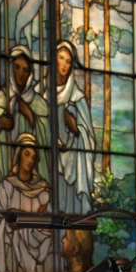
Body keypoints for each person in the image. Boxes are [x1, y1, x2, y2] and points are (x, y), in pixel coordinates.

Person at [0, 45, 51, 186]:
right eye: (17, 67)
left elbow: (47, 142)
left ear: (30, 73)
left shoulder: (39, 104)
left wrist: (31, 116)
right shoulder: (0, 99)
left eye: (25, 70)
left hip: (29, 173)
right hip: (4, 163)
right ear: (10, 68)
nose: (21, 73)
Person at [0, 132, 53, 272]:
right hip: (12, 251)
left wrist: (41, 226)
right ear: (19, 154)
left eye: (33, 157)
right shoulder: (7, 186)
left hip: (38, 250)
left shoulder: (42, 190)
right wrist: (10, 223)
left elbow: (49, 221)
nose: (30, 160)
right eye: (26, 154)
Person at [55, 40, 95, 214]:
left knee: (72, 210)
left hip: (74, 166)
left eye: (68, 61)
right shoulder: (41, 93)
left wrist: (77, 130)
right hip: (49, 163)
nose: (64, 64)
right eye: (61, 58)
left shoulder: (77, 98)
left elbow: (89, 139)